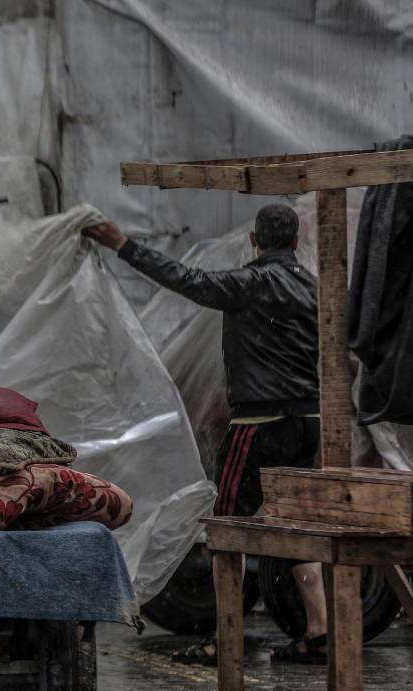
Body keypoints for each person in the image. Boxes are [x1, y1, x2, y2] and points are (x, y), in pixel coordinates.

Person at [86, 205, 328, 666]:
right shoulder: (313, 288)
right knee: (298, 526)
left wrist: (123, 245)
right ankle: (319, 631)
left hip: (258, 424)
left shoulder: (249, 284)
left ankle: (226, 640)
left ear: (254, 240)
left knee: (225, 531)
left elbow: (185, 279)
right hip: (307, 422)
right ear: (295, 243)